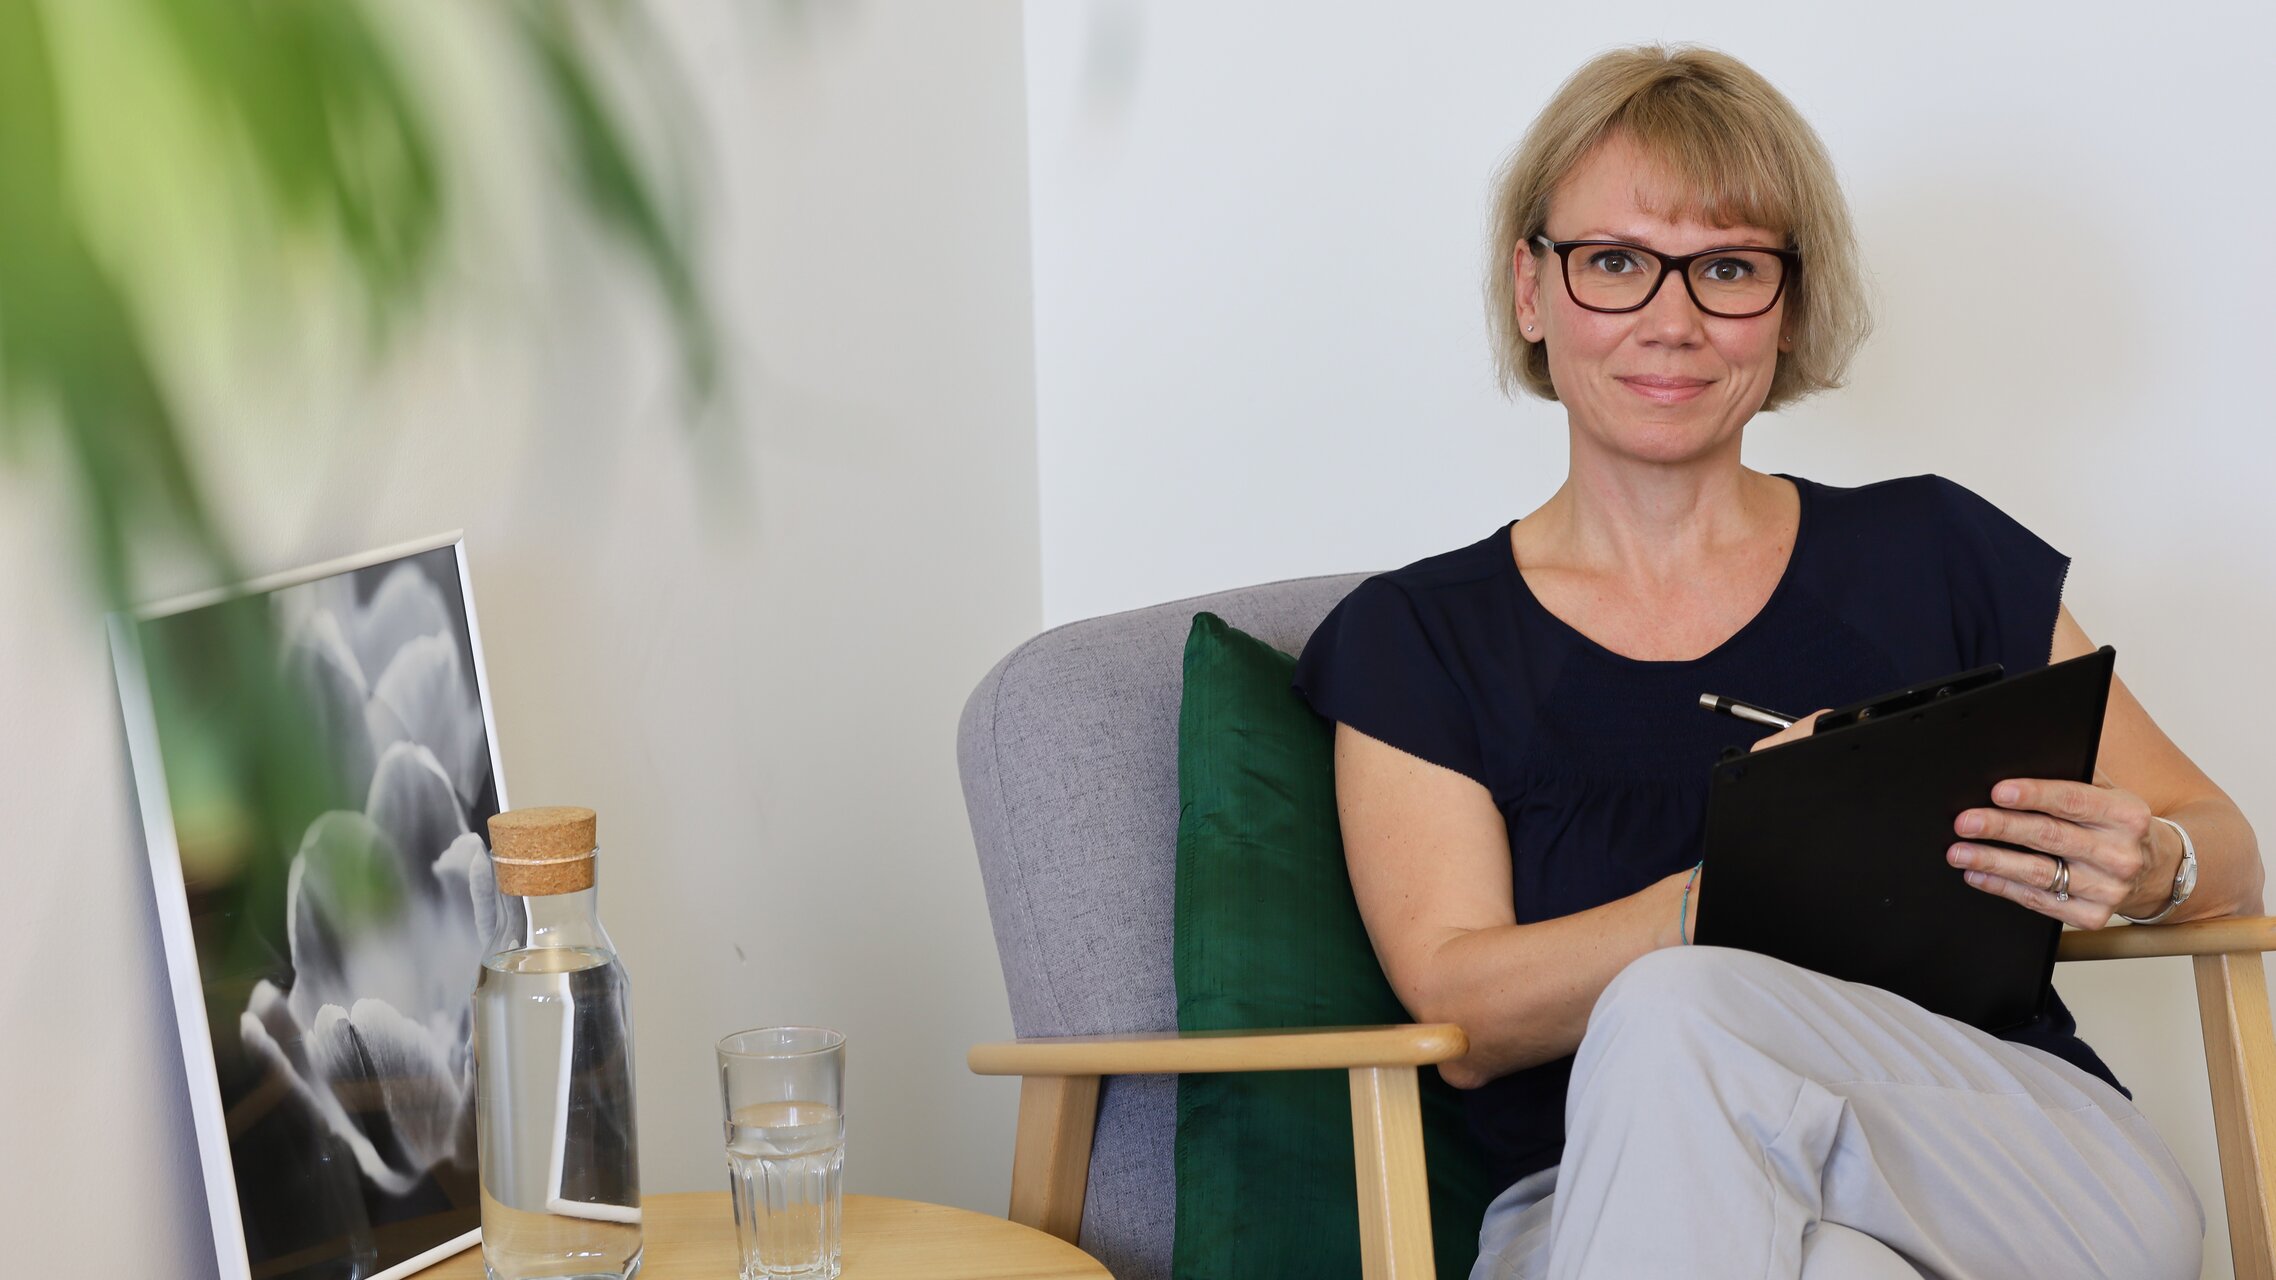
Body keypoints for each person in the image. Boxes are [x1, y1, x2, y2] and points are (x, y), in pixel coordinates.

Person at [1291, 44, 2260, 1280]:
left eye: (1729, 268)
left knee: (1671, 1007)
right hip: (1608, 1193)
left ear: (1788, 305)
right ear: (1530, 290)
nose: (1671, 318)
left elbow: (2222, 841)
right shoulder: (1418, 637)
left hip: (2012, 1171)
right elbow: (1465, 1009)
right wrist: (1756, 880)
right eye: (1615, 262)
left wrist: (2150, 861)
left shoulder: (1933, 550)